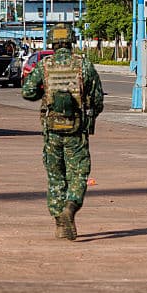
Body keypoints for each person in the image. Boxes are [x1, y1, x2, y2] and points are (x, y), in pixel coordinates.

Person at [21, 23, 104, 241]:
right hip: (76, 129)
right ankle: (70, 207)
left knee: (55, 176)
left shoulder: (45, 65)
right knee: (78, 173)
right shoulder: (83, 65)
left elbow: (27, 92)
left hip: (52, 130)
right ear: (71, 41)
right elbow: (97, 99)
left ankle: (59, 221)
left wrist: (46, 93)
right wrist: (90, 115)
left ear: (53, 42)